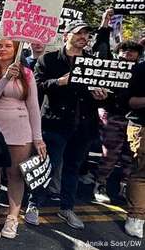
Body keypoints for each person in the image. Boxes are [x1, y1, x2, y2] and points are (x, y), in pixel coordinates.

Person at [25, 23, 109, 230]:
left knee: (73, 167)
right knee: (47, 167)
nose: (83, 36)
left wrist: (101, 96)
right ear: (66, 35)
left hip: (84, 125)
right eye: (78, 32)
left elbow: (101, 93)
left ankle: (67, 208)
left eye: (86, 34)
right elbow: (37, 87)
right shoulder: (49, 59)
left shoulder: (92, 62)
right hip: (55, 123)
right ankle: (34, 205)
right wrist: (59, 82)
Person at [0, 38, 47, 239]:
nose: (2, 49)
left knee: (15, 174)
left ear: (16, 49)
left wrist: (38, 138)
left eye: (8, 45)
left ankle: (12, 218)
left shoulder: (27, 74)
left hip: (20, 129)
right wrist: (5, 78)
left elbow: (33, 107)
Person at [92, 41, 143, 203]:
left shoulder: (140, 72)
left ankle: (125, 185)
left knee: (131, 156)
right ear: (118, 52)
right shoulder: (108, 68)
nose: (128, 54)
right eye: (125, 50)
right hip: (112, 114)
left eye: (133, 51)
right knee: (110, 153)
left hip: (133, 118)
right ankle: (100, 183)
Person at [124, 59, 145, 238]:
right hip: (142, 127)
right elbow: (130, 101)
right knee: (141, 173)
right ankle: (136, 218)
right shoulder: (141, 69)